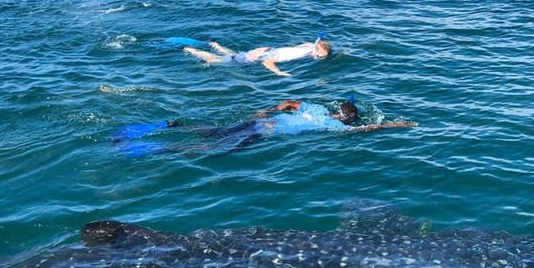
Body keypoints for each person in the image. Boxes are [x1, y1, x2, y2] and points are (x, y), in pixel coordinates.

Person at [112, 99, 416, 156]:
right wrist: (397, 124)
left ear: (338, 109)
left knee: (212, 131)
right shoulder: (334, 129)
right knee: (211, 150)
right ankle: (155, 149)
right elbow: (363, 131)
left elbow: (288, 102)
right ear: (348, 117)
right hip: (262, 133)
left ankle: (168, 125)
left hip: (258, 122)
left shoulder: (318, 109)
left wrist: (265, 109)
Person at [182, 38, 333, 76]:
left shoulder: (308, 47)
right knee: (217, 61)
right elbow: (268, 62)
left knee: (235, 55)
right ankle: (190, 49)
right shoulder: (297, 55)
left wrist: (315, 47)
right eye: (320, 56)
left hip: (263, 50)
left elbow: (310, 44)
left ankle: (215, 44)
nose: (319, 58)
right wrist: (279, 72)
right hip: (257, 56)